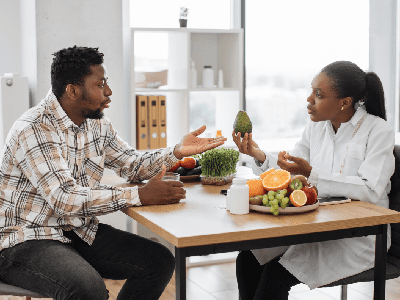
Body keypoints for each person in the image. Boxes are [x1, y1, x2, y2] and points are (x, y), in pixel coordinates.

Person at [0, 46, 226, 300]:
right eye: (99, 84)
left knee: (158, 260)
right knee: (88, 289)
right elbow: (64, 199)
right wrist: (139, 196)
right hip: (25, 240)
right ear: (72, 90)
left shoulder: (97, 124)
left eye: (106, 82)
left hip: (77, 231)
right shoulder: (34, 128)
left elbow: (132, 164)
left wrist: (176, 151)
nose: (108, 91)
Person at [232, 61, 395, 300]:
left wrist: (312, 175)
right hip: (316, 226)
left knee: (275, 277)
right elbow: (291, 170)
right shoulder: (316, 128)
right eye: (311, 91)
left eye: (318, 95)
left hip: (359, 237)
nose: (309, 100)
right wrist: (259, 154)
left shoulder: (378, 131)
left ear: (344, 103)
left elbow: (370, 190)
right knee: (248, 258)